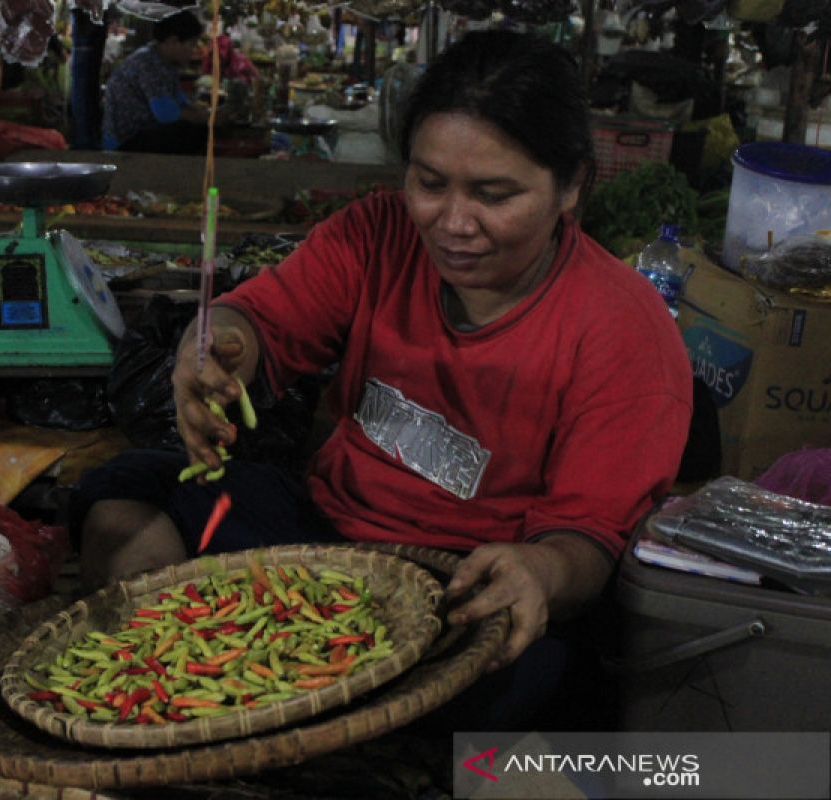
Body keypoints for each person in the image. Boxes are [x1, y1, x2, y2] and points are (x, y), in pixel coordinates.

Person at [72, 30, 692, 729]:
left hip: (464, 586)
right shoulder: (377, 235)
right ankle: (177, 688)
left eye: (494, 194)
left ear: (573, 185)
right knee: (129, 490)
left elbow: (588, 542)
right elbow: (260, 319)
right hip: (322, 544)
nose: (453, 223)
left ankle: (281, 706)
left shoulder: (624, 329)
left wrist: (539, 572)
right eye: (429, 184)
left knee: (523, 675)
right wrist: (211, 348)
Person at [101, 10, 225, 154]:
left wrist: (205, 112)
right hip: (125, 140)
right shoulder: (147, 63)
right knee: (192, 132)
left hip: (144, 132)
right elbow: (166, 114)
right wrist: (206, 118)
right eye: (191, 44)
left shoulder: (164, 62)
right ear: (173, 41)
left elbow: (180, 100)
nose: (193, 50)